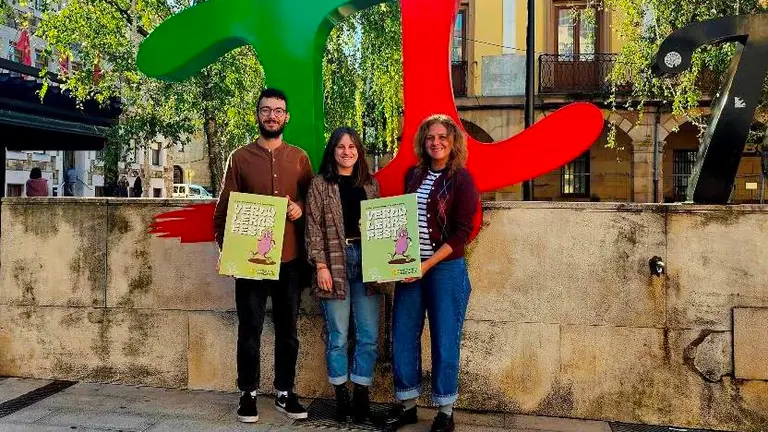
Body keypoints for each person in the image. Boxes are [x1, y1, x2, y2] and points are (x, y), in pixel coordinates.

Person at [213, 88, 314, 423]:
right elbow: (224, 210)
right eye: (266, 110)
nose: (272, 116)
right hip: (250, 262)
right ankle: (248, 394)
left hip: (289, 260)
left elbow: (313, 203)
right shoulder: (239, 158)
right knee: (250, 328)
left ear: (287, 117)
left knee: (289, 330)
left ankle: (285, 392)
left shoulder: (299, 158)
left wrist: (299, 208)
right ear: (257, 114)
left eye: (278, 111)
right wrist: (227, 253)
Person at [381, 114, 479, 432]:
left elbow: (462, 232)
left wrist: (425, 265)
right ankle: (408, 405)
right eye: (430, 137)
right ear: (423, 142)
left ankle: (445, 412)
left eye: (442, 137)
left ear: (453, 143)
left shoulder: (461, 179)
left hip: (445, 270)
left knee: (445, 339)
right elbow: (402, 219)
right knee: (404, 335)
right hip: (411, 267)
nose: (436, 142)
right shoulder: (413, 174)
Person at [305, 127, 385, 424]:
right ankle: (341, 396)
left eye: (352, 146)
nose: (347, 151)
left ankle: (362, 394)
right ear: (333, 151)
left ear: (359, 152)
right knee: (338, 335)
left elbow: (381, 227)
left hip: (368, 261)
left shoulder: (371, 185)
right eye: (341, 146)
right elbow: (313, 228)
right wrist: (320, 266)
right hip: (335, 263)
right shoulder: (320, 185)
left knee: (368, 335)